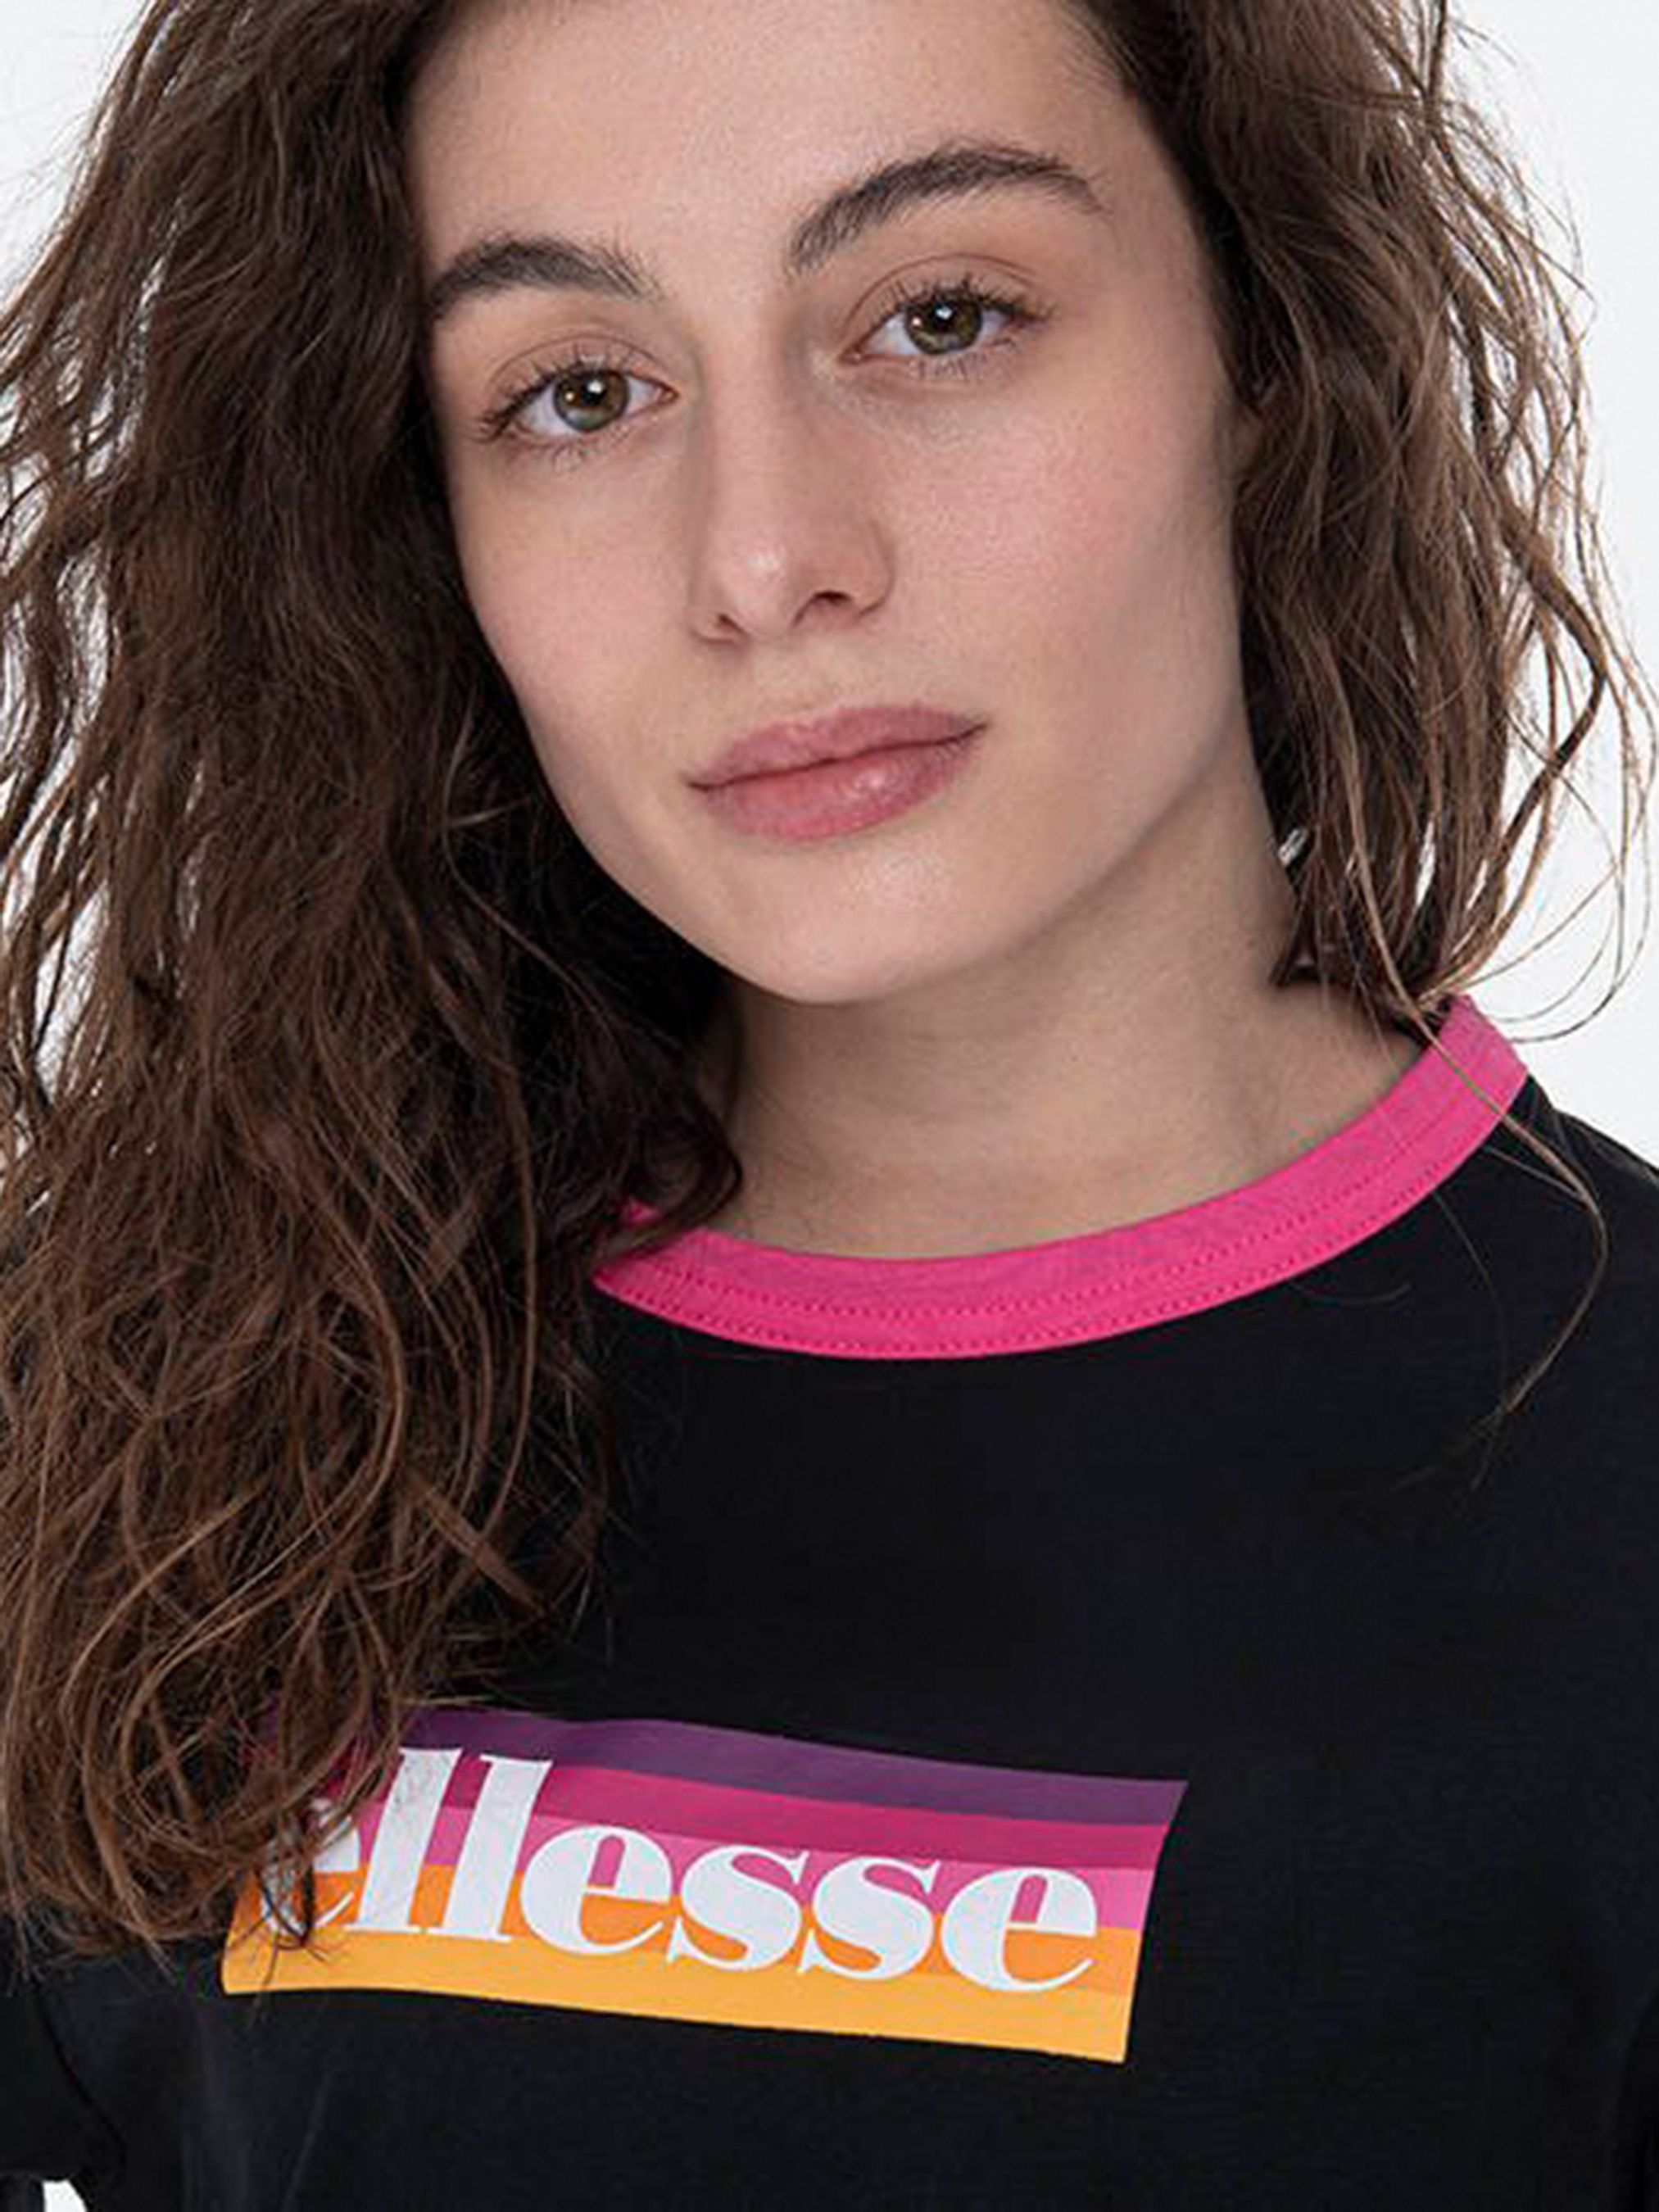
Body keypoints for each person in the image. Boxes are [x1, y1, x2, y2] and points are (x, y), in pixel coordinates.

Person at [0, 0, 1655, 2203]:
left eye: (939, 318)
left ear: (1270, 349)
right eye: (581, 393)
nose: (765, 561)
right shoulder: (161, 1395)